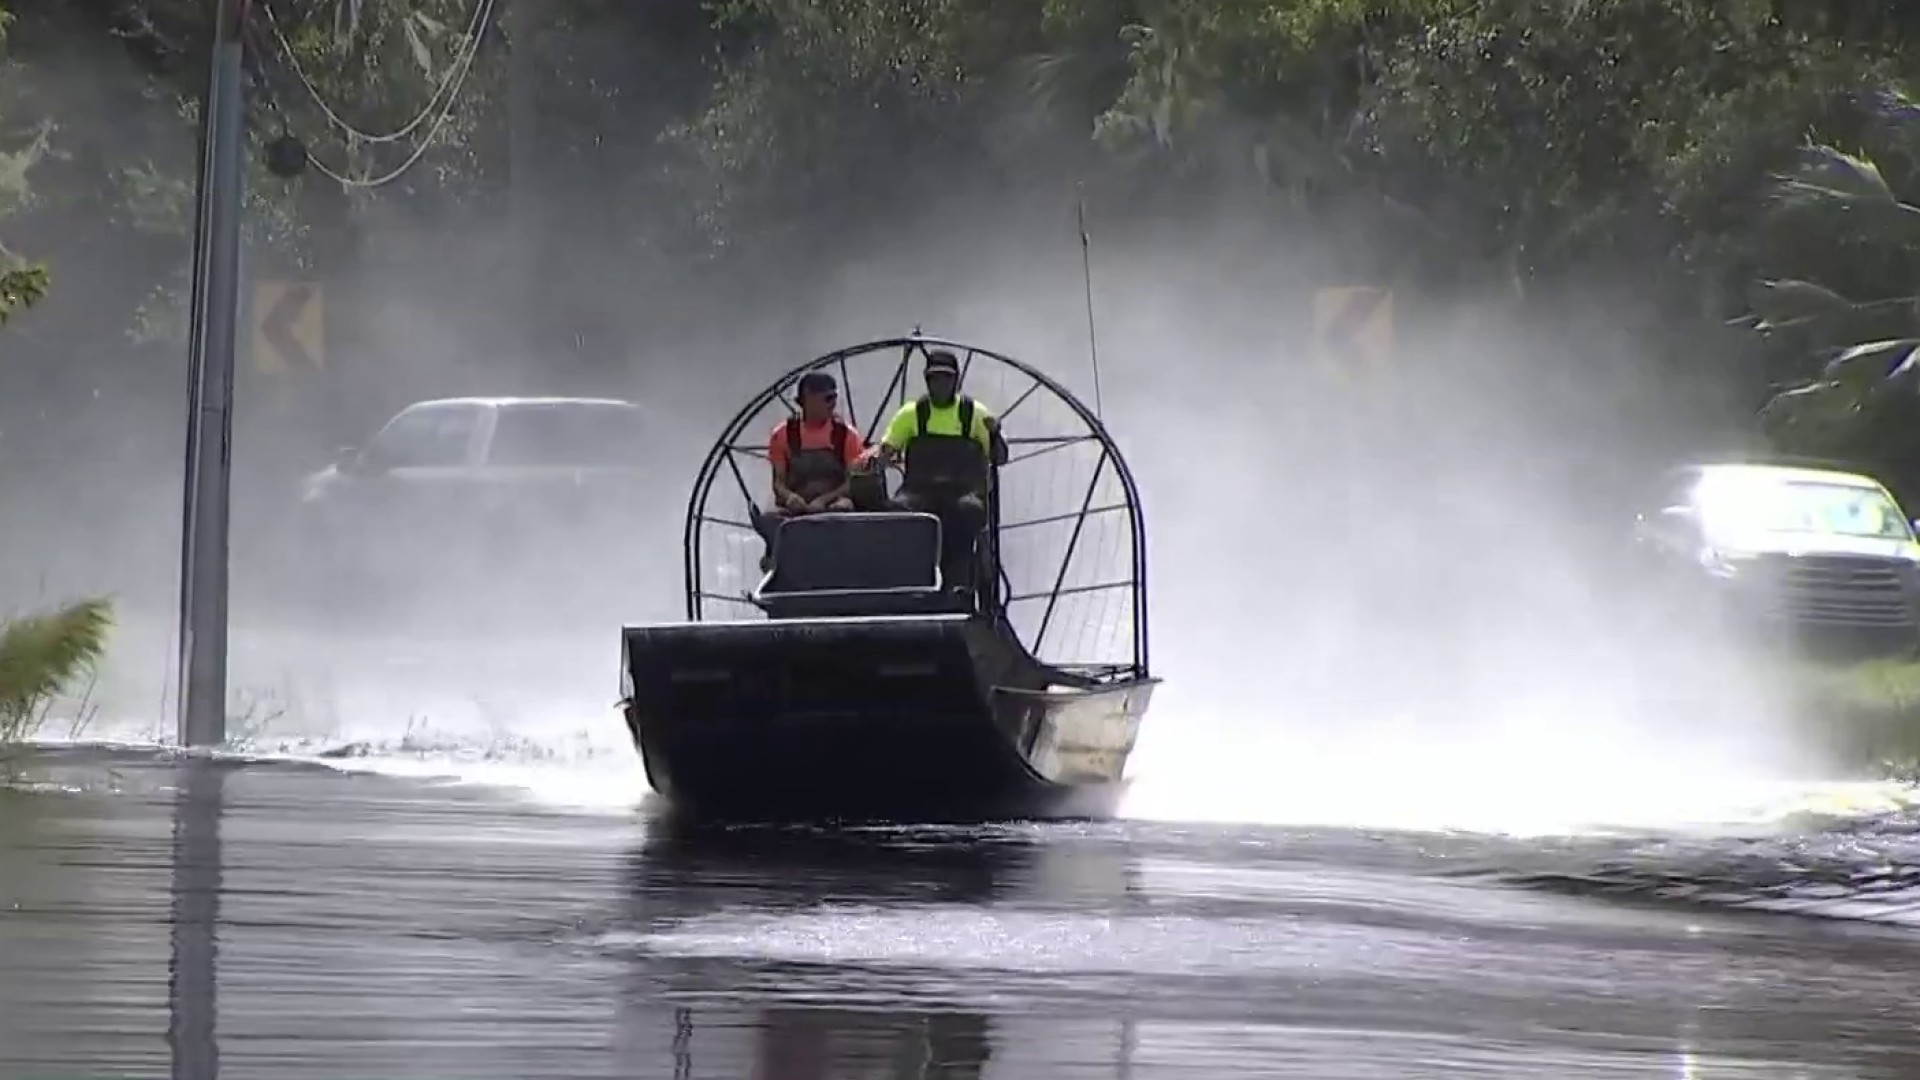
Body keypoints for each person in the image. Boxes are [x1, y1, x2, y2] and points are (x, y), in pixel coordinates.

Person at [859, 349, 1007, 590]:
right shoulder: (911, 413)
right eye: (935, 378)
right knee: (896, 510)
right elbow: (887, 450)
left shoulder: (975, 413)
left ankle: (960, 584)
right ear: (927, 380)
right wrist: (874, 458)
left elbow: (1000, 458)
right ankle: (907, 583)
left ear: (956, 380)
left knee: (968, 511)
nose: (940, 384)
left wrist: (995, 434)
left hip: (962, 492)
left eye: (946, 378)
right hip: (919, 491)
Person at [755, 370, 865, 570]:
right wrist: (790, 498)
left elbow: (852, 483)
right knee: (769, 517)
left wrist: (823, 501)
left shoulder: (846, 435)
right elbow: (778, 482)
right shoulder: (782, 434)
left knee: (842, 510)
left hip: (834, 499)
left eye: (834, 397)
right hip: (796, 501)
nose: (832, 404)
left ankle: (842, 565)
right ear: (806, 400)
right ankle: (778, 564)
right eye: (827, 398)